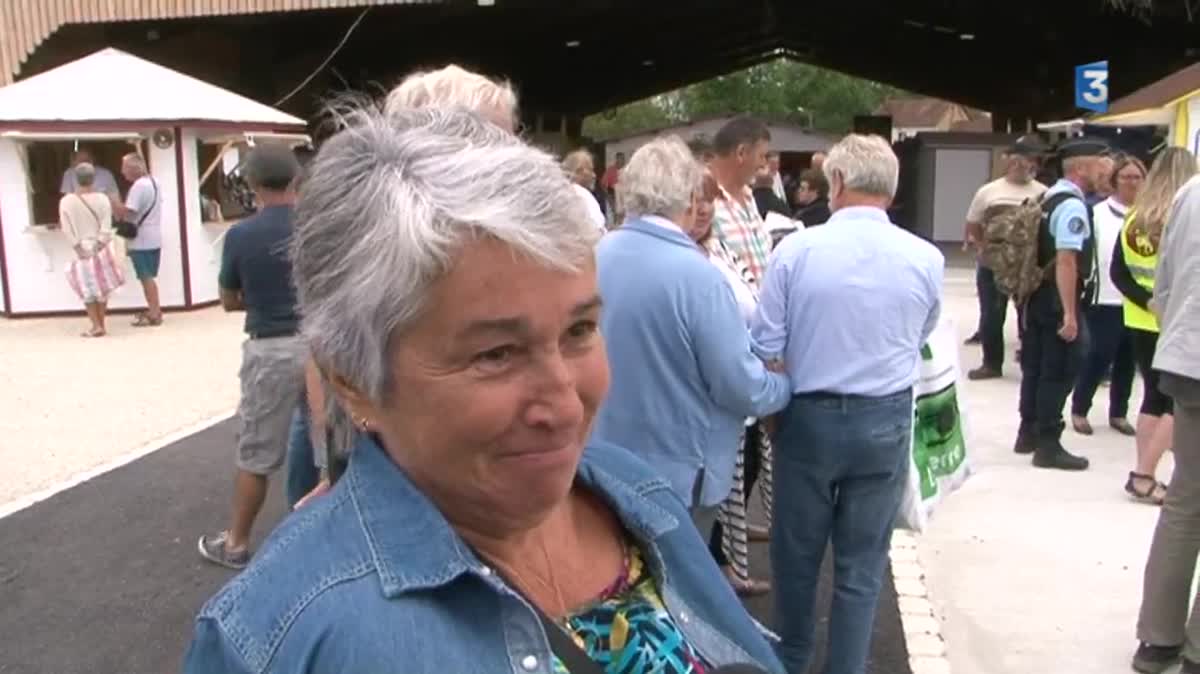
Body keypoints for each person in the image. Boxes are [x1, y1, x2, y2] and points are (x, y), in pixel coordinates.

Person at [183, 106, 785, 674]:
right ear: (352, 379)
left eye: (579, 330)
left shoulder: (635, 494)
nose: (565, 401)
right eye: (495, 354)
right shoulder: (278, 636)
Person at [286, 63, 524, 510]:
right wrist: (335, 469)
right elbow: (324, 352)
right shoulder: (367, 233)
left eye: (512, 141)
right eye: (494, 143)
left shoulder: (528, 238)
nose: (515, 160)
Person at [753, 134, 943, 674]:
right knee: (862, 565)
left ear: (835, 183)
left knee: (797, 557)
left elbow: (766, 346)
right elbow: (921, 331)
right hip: (883, 418)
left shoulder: (794, 251)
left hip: (809, 416)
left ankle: (790, 658)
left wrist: (773, 418)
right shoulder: (925, 257)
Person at [593, 135, 791, 541]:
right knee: (674, 592)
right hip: (678, 474)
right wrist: (783, 385)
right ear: (686, 198)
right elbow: (740, 387)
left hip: (600, 460)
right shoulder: (699, 278)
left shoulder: (591, 257)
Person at [197, 145, 307, 569]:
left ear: (254, 184)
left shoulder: (241, 235)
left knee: (257, 451)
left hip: (270, 346)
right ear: (297, 180)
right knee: (328, 444)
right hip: (323, 343)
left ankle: (237, 543)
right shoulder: (320, 226)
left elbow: (228, 299)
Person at [687, 168, 775, 596]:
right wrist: (776, 388)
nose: (703, 208)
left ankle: (719, 571)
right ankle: (711, 581)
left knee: (728, 489)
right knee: (707, 500)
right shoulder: (688, 261)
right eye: (693, 199)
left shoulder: (718, 249)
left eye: (708, 199)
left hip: (740, 389)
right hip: (716, 397)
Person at [1131, 171, 1200, 674]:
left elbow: (1166, 284)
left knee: (1185, 502)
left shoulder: (1191, 193)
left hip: (1187, 357)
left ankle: (1157, 640)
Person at [1013, 137, 1109, 471]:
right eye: (1101, 164)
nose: (1105, 170)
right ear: (1082, 168)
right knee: (1059, 368)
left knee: (1035, 366)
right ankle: (1049, 444)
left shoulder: (1048, 197)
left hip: (1036, 296)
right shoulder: (1072, 206)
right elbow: (1067, 260)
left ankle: (1027, 432)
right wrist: (1070, 314)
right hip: (1056, 298)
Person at [1111, 147, 1197, 504]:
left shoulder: (1135, 218)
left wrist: (1145, 301)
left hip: (1139, 316)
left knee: (1150, 397)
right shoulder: (1179, 217)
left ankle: (1143, 468)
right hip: (1173, 319)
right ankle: (1144, 473)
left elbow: (1118, 271)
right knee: (1176, 404)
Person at [1070, 155, 1144, 437]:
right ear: (1114, 181)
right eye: (1126, 177)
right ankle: (1079, 407)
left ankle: (1119, 413)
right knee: (1099, 354)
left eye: (1137, 177)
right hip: (1105, 297)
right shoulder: (1097, 213)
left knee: (1128, 359)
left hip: (1137, 300)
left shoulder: (1147, 214)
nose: (1131, 183)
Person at [964, 136, 1048, 380]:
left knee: (1028, 314)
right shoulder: (989, 192)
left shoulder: (1043, 192)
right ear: (1009, 162)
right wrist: (983, 248)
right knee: (992, 313)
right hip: (994, 263)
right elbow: (973, 223)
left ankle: (1030, 360)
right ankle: (991, 363)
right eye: (1019, 161)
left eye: (1030, 161)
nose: (1023, 166)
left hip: (1028, 265)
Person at [709, 115, 775, 285]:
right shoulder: (704, 204)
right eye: (762, 156)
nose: (764, 165)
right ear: (741, 153)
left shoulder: (749, 198)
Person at [59, 162, 121, 337]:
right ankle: (101, 323)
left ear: (75, 179)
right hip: (101, 247)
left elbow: (67, 228)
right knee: (102, 287)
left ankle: (95, 325)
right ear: (93, 178)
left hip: (80, 247)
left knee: (86, 289)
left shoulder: (66, 201)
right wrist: (99, 245)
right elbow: (107, 226)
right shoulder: (102, 198)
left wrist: (79, 248)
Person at [115, 153, 164, 327]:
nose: (122, 172)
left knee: (145, 277)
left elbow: (130, 212)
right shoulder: (154, 182)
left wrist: (113, 203)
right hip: (154, 237)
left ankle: (154, 312)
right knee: (149, 276)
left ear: (133, 169)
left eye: (124, 168)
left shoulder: (138, 187)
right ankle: (155, 309)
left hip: (141, 239)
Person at [562, 148, 607, 233]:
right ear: (578, 171)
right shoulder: (581, 194)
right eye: (590, 170)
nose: (594, 175)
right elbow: (597, 229)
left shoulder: (560, 193)